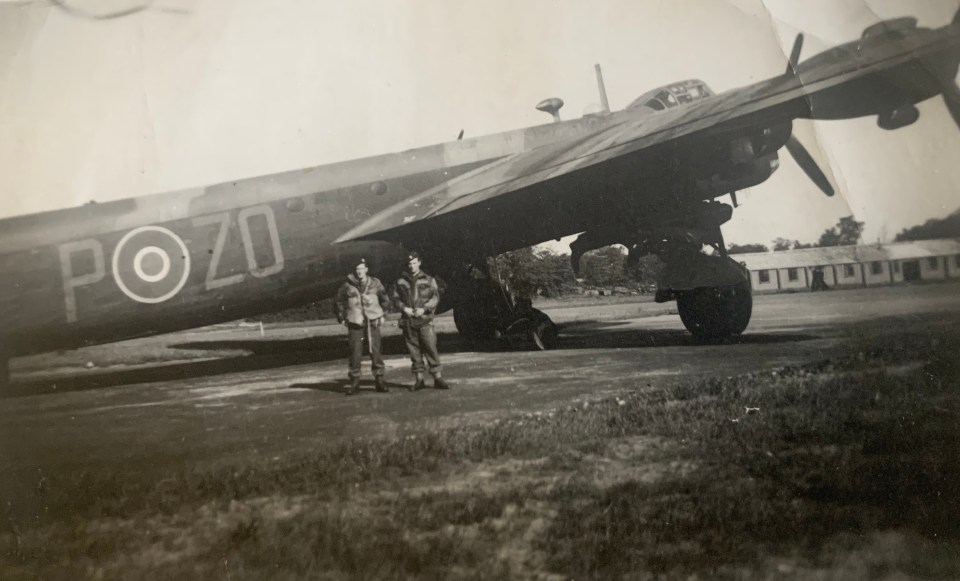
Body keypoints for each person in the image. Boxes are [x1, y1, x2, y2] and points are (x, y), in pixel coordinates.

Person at [393, 251, 450, 391]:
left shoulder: (429, 280)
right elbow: (395, 298)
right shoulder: (400, 282)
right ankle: (419, 380)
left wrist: (424, 309)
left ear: (419, 263)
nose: (411, 266)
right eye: (409, 264)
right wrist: (404, 308)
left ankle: (438, 378)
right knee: (414, 351)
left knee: (431, 348)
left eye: (414, 263)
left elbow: (435, 297)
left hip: (424, 320)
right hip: (409, 321)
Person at [335, 258, 390, 395]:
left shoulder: (375, 283)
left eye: (362, 268)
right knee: (355, 353)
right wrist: (342, 318)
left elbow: (385, 300)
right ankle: (354, 382)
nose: (360, 271)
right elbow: (338, 301)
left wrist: (383, 315)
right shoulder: (347, 285)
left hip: (372, 322)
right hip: (356, 323)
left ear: (366, 269)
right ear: (355, 271)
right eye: (357, 269)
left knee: (376, 352)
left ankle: (379, 380)